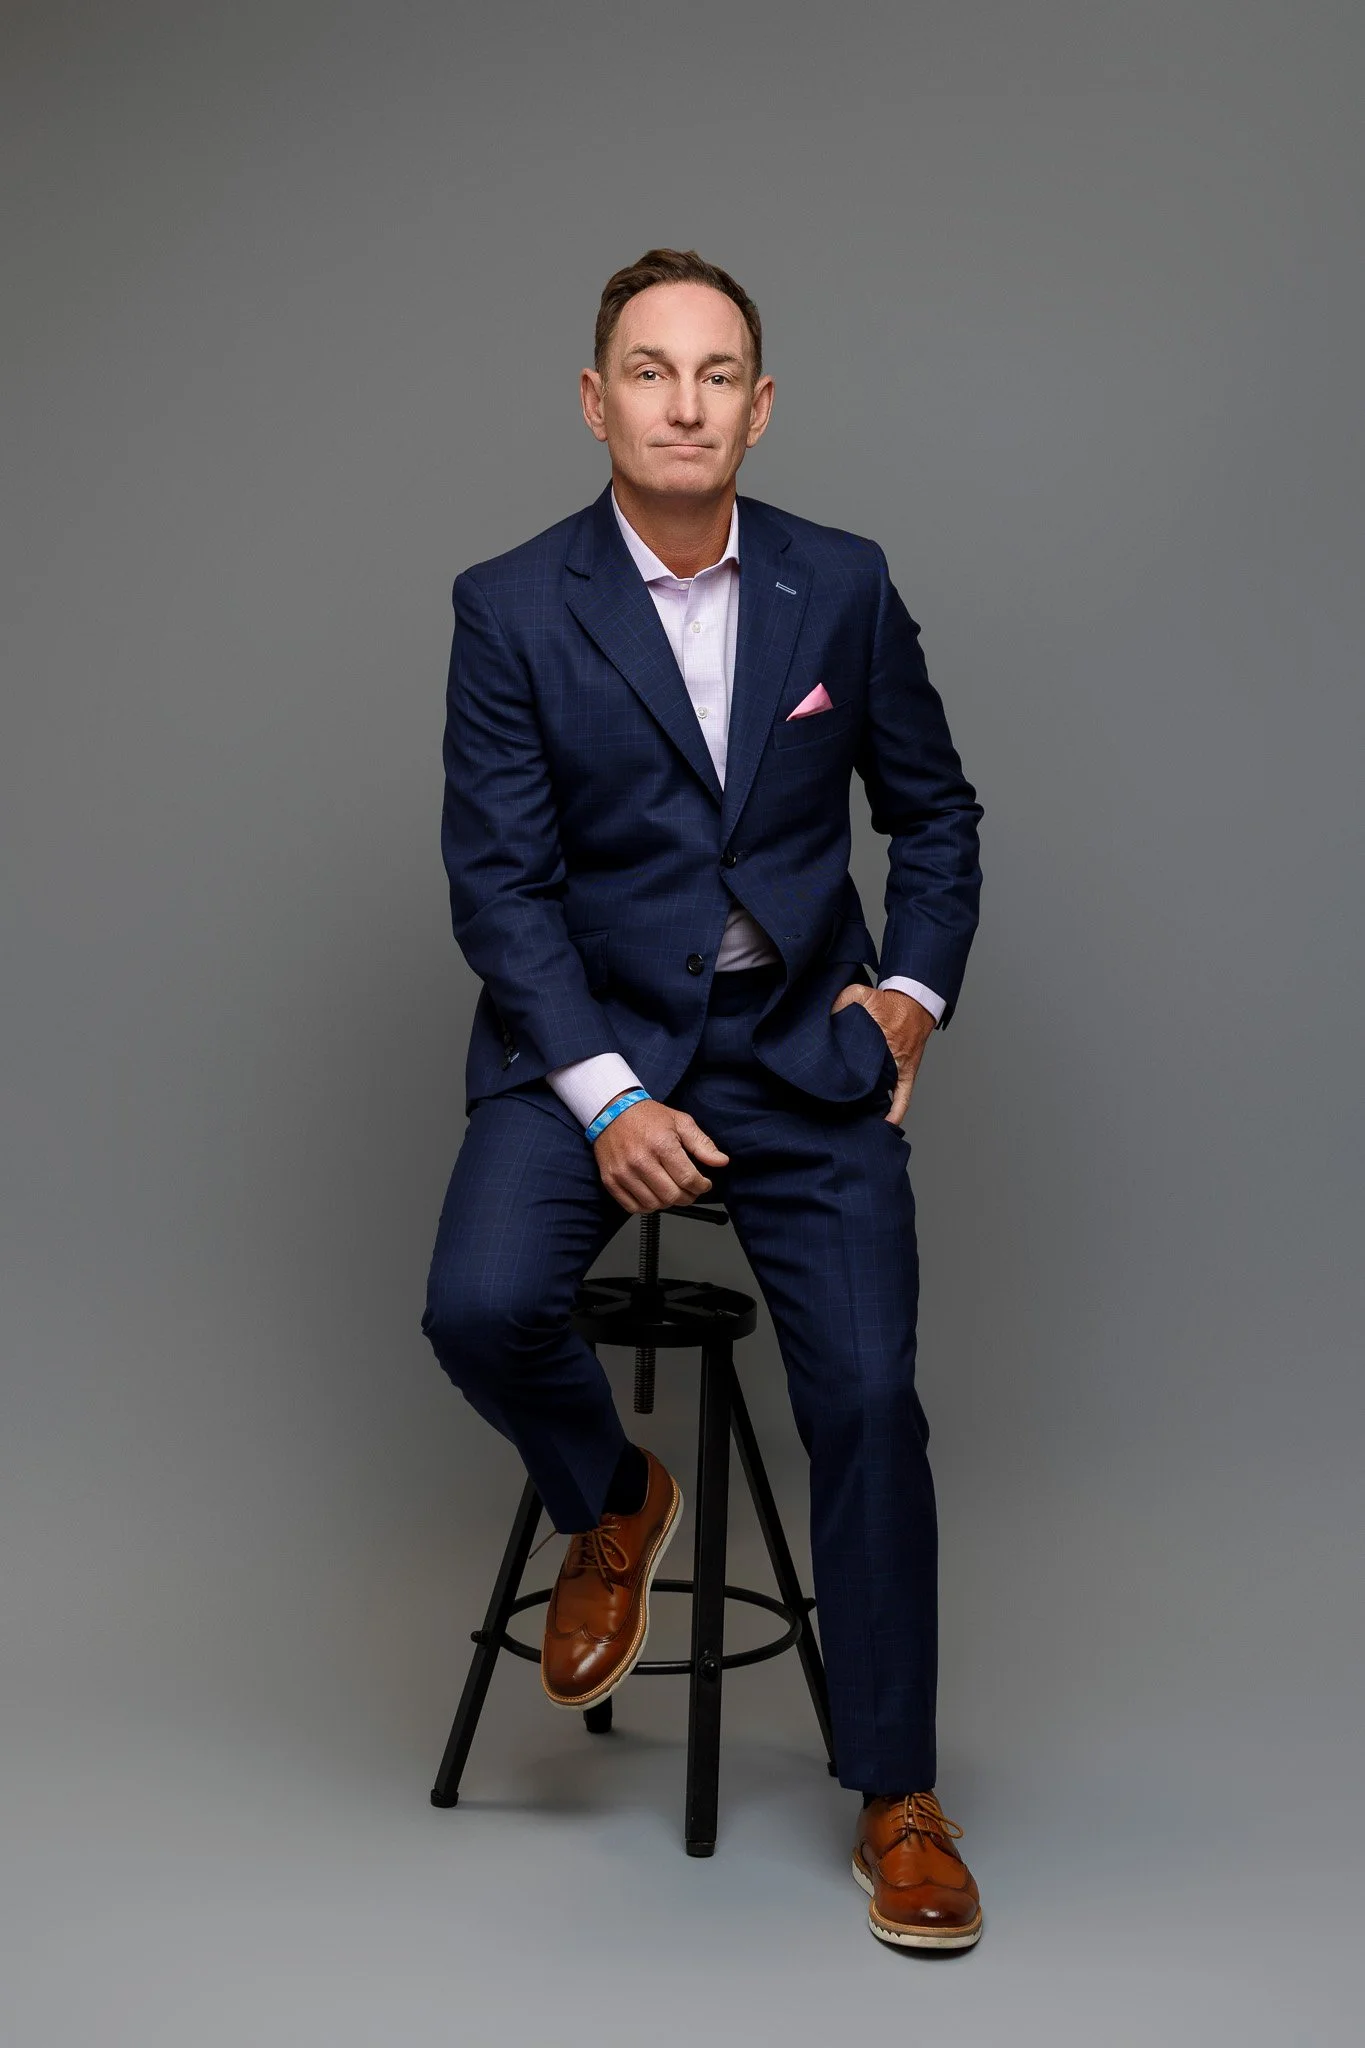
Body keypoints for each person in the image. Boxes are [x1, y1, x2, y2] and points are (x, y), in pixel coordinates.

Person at [421, 248, 985, 1950]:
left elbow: (937, 815)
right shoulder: (511, 605)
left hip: (804, 1048)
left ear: (761, 404)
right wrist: (604, 1099)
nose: (685, 403)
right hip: (589, 1040)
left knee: (870, 1399)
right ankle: (614, 1499)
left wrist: (910, 1001)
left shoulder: (845, 583)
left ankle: (898, 1794)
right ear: (597, 401)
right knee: (480, 1305)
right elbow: (500, 887)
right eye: (652, 372)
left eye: (717, 373)